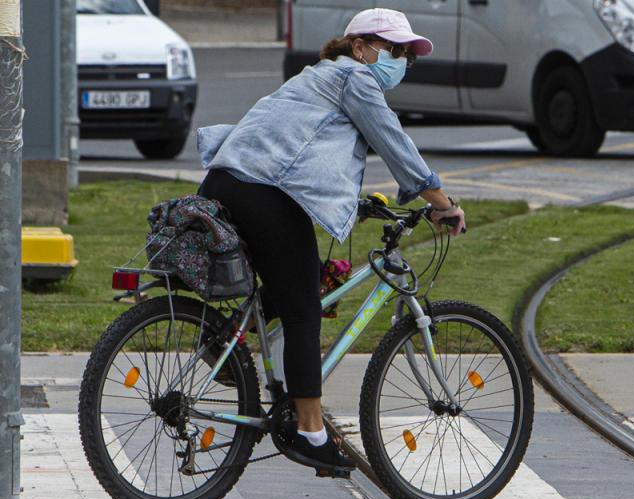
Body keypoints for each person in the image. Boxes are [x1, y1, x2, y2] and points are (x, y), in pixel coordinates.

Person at [195, 8, 465, 471]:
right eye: (394, 50)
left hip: (228, 181)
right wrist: (441, 203)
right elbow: (394, 143)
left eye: (408, 56)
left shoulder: (319, 77)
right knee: (304, 309)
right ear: (359, 47)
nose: (401, 60)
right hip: (263, 192)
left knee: (289, 288)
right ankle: (310, 431)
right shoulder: (355, 79)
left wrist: (352, 205)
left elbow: (302, 149)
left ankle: (228, 346)